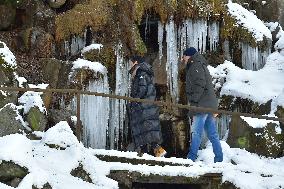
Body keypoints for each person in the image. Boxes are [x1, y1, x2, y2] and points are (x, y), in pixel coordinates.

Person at [181, 47, 223, 163]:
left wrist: (194, 100)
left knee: (196, 132)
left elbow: (200, 83)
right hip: (208, 104)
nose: (183, 59)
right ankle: (219, 159)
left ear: (188, 56)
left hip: (202, 105)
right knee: (213, 134)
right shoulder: (200, 64)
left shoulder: (195, 66)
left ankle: (191, 158)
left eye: (184, 56)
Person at [128, 55, 166, 157]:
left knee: (147, 130)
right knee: (145, 132)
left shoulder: (141, 73)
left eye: (131, 62)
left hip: (144, 108)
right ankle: (144, 154)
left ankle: (158, 151)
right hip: (146, 107)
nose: (129, 65)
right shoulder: (144, 72)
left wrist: (134, 99)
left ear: (135, 62)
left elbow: (142, 88)